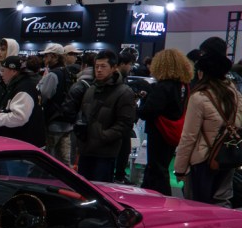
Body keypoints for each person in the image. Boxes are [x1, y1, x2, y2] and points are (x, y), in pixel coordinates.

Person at [174, 50, 241, 206]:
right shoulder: (236, 95)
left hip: (202, 160)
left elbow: (189, 136)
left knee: (196, 205)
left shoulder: (199, 98)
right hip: (227, 157)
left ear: (202, 73)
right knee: (222, 201)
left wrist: (180, 169)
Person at [74, 50, 136, 183]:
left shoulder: (124, 92)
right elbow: (83, 114)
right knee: (82, 188)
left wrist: (103, 136)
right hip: (86, 149)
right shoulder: (91, 89)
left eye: (103, 66)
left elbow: (125, 124)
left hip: (105, 152)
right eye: (97, 66)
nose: (99, 70)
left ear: (113, 68)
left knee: (100, 189)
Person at [137, 48, 191, 196]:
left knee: (157, 169)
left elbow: (147, 111)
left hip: (159, 132)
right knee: (160, 167)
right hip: (173, 130)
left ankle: (160, 199)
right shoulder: (183, 86)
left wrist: (143, 102)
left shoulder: (163, 87)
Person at [0, 55, 46, 146]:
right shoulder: (20, 84)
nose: (1, 74)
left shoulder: (24, 88)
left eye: (3, 70)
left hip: (25, 145)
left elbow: (19, 117)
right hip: (24, 143)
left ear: (13, 71)